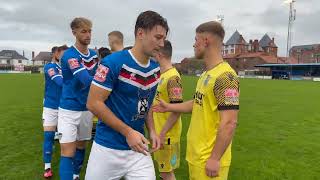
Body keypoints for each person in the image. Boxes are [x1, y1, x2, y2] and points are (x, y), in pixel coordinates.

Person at [85, 10, 169, 180]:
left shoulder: (154, 69)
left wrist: (152, 130)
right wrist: (128, 132)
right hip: (107, 148)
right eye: (158, 37)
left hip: (138, 150)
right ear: (140, 33)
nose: (162, 43)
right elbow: (93, 103)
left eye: (163, 38)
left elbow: (146, 104)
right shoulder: (113, 63)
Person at [153, 21, 240, 180]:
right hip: (197, 155)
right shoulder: (207, 74)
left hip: (208, 158)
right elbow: (196, 103)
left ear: (205, 41)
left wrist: (214, 158)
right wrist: (169, 107)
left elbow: (230, 123)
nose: (194, 45)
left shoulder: (225, 77)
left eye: (196, 40)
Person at [58, 17, 99, 180]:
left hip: (87, 109)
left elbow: (97, 77)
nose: (88, 34)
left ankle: (75, 175)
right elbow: (86, 79)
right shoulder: (70, 55)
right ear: (74, 33)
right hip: (68, 109)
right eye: (84, 31)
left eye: (90, 31)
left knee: (81, 146)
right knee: (67, 152)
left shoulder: (94, 55)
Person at [151, 40, 183, 180]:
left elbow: (177, 110)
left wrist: (163, 133)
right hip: (159, 133)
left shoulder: (173, 78)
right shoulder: (161, 75)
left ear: (158, 54)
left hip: (167, 135)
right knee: (163, 171)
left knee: (166, 172)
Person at [42, 45, 66, 178]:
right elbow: (59, 81)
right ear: (56, 53)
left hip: (65, 107)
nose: (64, 57)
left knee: (66, 138)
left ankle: (67, 164)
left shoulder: (66, 68)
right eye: (62, 54)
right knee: (48, 136)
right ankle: (47, 167)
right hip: (51, 107)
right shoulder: (49, 67)